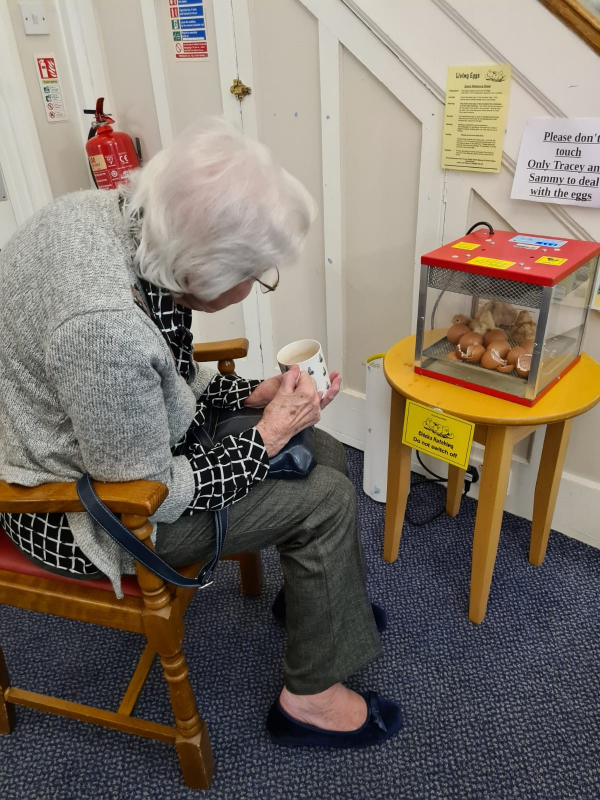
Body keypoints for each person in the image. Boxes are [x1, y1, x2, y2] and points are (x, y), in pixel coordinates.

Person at [0, 119, 402, 748]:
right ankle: (311, 703)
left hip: (108, 444)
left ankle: (316, 609)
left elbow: (160, 377)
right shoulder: (102, 325)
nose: (258, 285)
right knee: (323, 499)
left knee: (318, 445)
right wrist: (264, 437)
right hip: (77, 511)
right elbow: (148, 490)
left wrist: (250, 397)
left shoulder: (120, 219)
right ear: (202, 271)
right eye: (257, 274)